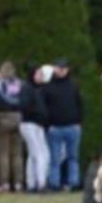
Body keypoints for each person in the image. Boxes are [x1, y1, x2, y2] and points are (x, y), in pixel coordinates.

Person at [43, 59, 84, 191]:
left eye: (63, 68)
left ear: (67, 70)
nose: (61, 70)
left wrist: (79, 122)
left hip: (72, 126)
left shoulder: (73, 86)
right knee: (55, 158)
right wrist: (48, 124)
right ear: (54, 69)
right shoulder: (48, 87)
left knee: (73, 157)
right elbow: (44, 108)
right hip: (55, 127)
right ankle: (54, 183)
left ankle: (73, 182)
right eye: (59, 68)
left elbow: (80, 105)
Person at [0, 61, 25, 191]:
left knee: (3, 153)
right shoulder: (20, 84)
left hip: (2, 119)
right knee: (17, 153)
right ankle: (18, 183)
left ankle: (5, 183)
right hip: (18, 118)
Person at [20, 65, 51, 193]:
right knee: (41, 153)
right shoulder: (29, 89)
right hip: (31, 123)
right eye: (39, 74)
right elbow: (26, 106)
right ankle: (41, 183)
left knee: (33, 154)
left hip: (33, 123)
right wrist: (39, 115)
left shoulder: (35, 89)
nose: (41, 77)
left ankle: (32, 182)